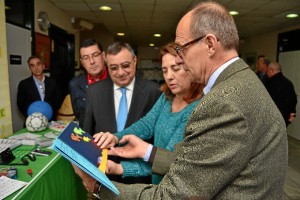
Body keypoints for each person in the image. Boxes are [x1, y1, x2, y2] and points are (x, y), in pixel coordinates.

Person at [74, 1, 288, 199]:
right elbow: (196, 161)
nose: (178, 59)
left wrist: (98, 186)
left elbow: (173, 195)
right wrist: (130, 144)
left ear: (210, 44)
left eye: (181, 48)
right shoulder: (242, 82)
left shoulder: (223, 103)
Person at [92, 42, 203, 184]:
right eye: (164, 70)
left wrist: (123, 167)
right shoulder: (167, 97)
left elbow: (166, 159)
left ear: (191, 67)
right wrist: (115, 138)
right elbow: (146, 125)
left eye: (175, 69)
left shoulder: (198, 108)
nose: (169, 76)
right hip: (156, 186)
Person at [83, 41, 161, 184]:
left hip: (140, 176)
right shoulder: (94, 91)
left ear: (135, 60)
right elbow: (87, 132)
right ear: (107, 66)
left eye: (125, 66)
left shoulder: (153, 91)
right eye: (113, 68)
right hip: (103, 173)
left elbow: (157, 137)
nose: (120, 72)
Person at [69, 39, 108, 127]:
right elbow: (79, 115)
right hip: (88, 136)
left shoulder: (116, 79)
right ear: (82, 62)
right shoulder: (75, 84)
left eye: (95, 55)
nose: (92, 61)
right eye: (86, 58)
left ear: (103, 56)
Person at [17, 55, 60, 121]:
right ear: (30, 68)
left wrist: (49, 113)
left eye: (38, 64)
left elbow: (57, 101)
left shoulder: (53, 82)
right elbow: (21, 105)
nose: (36, 68)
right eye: (32, 65)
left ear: (43, 66)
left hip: (51, 120)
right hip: (32, 122)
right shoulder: (23, 84)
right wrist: (33, 117)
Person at [266, 61, 297, 126]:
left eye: (267, 71)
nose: (267, 73)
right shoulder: (288, 83)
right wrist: (289, 119)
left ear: (271, 70)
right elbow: (293, 101)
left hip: (271, 120)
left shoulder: (270, 84)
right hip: (285, 119)